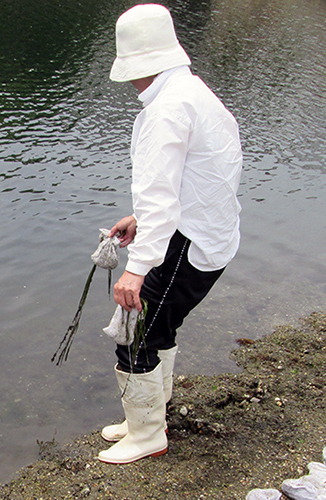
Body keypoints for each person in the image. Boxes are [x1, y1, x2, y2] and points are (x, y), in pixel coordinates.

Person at [98, 4, 242, 464]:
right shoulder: (193, 92)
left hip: (189, 241)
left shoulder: (164, 112)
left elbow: (162, 198)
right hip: (212, 233)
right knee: (162, 325)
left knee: (134, 329)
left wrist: (135, 270)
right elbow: (202, 175)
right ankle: (150, 414)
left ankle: (146, 435)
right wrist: (140, 221)